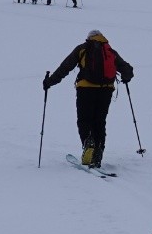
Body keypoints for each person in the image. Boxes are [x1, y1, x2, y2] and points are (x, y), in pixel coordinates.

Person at [44, 29, 134, 168]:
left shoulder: (82, 49)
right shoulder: (110, 51)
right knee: (100, 121)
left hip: (86, 89)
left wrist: (50, 82)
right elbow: (127, 68)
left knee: (84, 119)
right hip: (106, 90)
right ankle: (98, 150)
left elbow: (65, 67)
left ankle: (88, 143)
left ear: (89, 38)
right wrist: (126, 77)